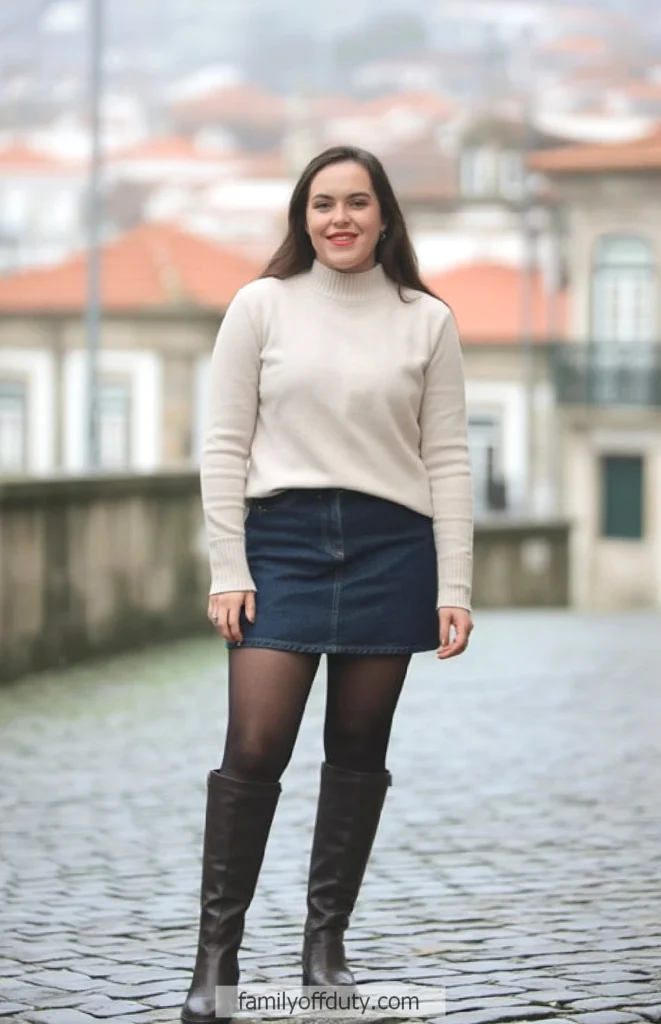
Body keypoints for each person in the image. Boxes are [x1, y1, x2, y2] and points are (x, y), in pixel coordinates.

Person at [180, 144, 474, 1024]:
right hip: (283, 545)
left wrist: (453, 585)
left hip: (393, 547)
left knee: (356, 751)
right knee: (255, 749)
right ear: (301, 217)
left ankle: (324, 951)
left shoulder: (426, 319)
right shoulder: (259, 306)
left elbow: (448, 458)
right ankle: (216, 964)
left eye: (356, 202)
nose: (338, 218)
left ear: (384, 215)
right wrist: (227, 564)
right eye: (321, 204)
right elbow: (223, 445)